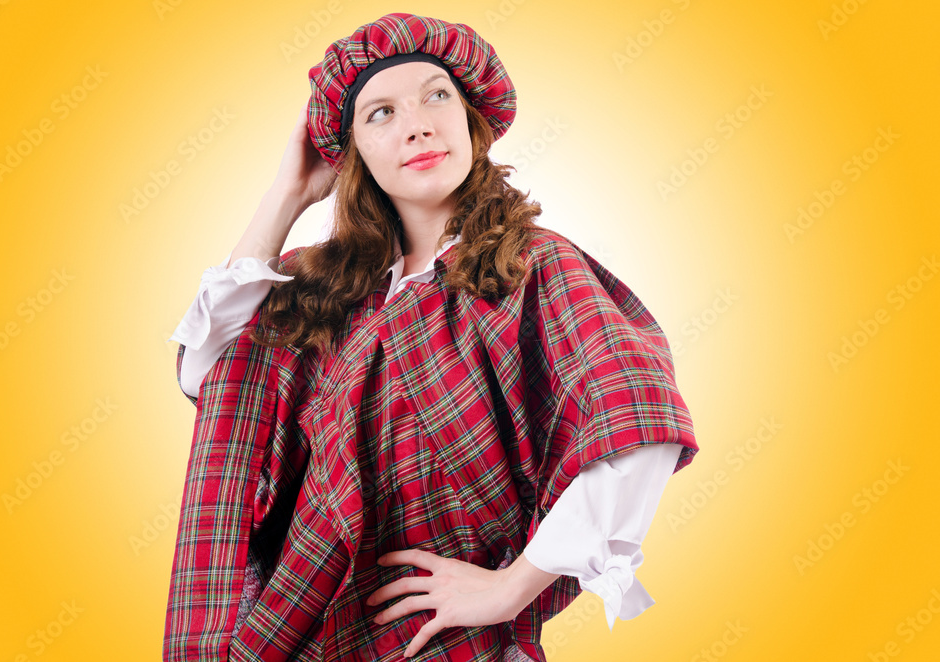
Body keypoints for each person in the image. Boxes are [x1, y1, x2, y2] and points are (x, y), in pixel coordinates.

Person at [164, 12, 698, 662]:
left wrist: (512, 589)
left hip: (449, 640)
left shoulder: (531, 265)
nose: (417, 124)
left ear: (470, 119)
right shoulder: (325, 291)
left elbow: (638, 421)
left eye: (436, 96)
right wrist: (287, 194)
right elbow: (212, 373)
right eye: (381, 113)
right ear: (353, 152)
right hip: (308, 636)